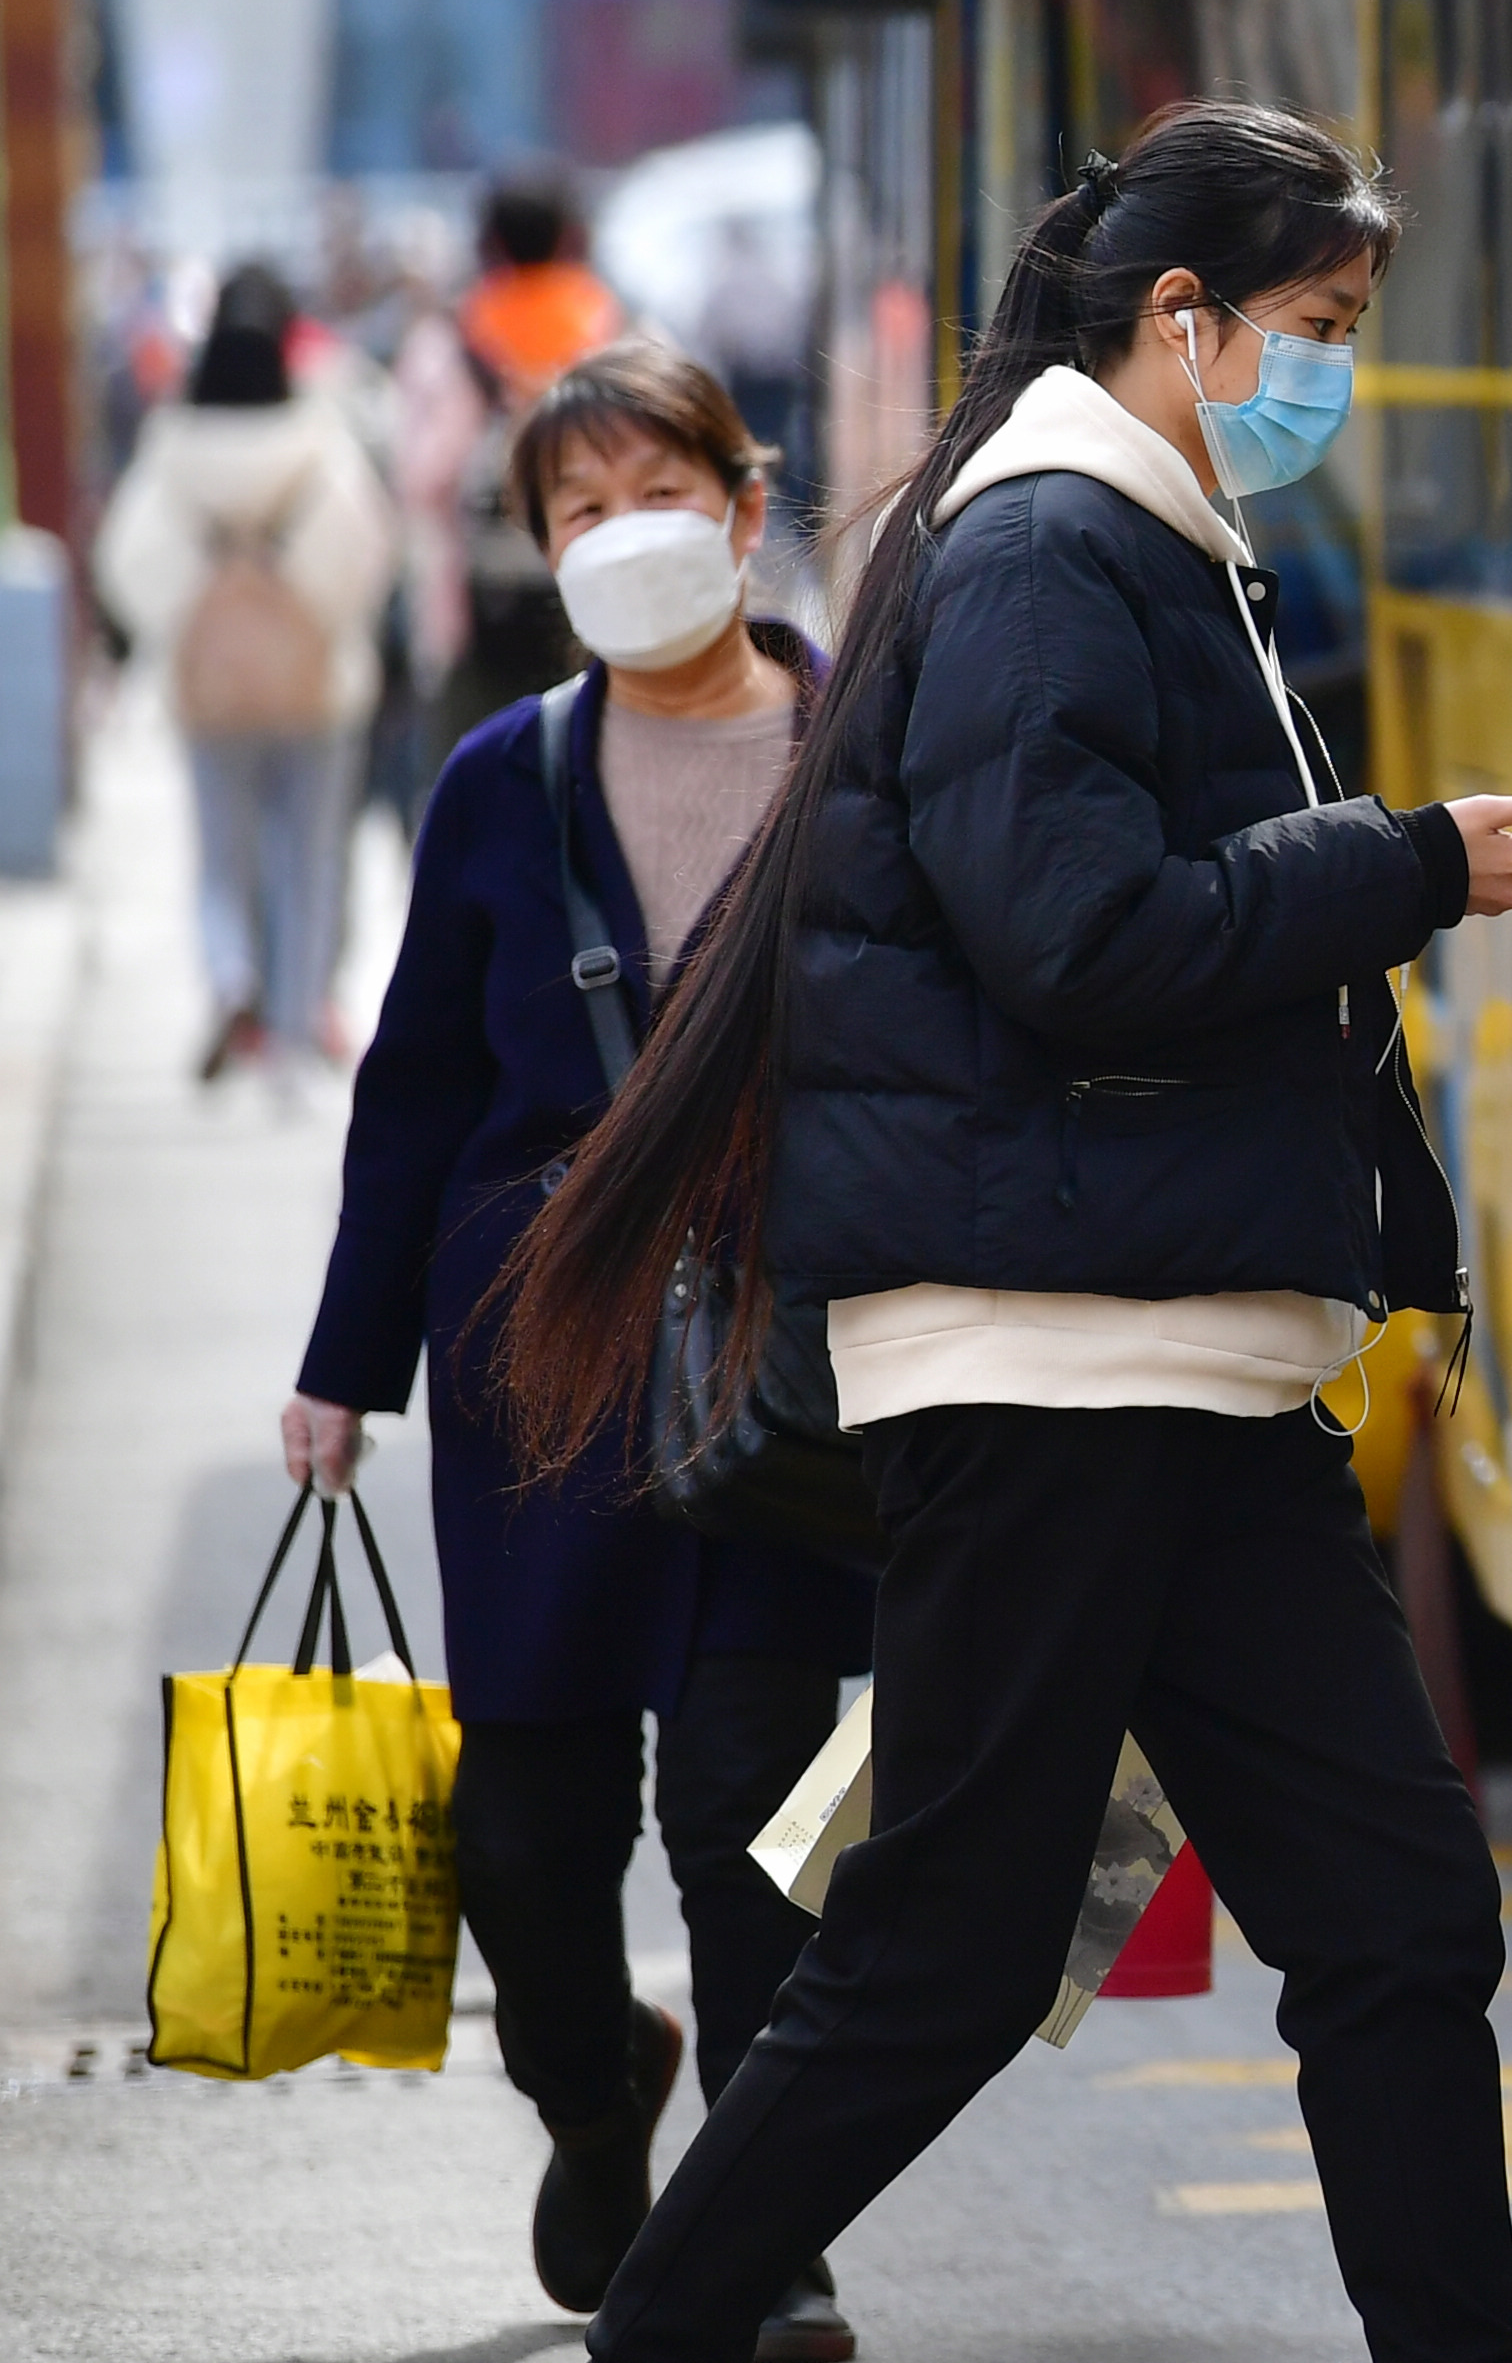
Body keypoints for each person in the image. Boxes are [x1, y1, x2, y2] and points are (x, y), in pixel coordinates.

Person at [498, 103, 1512, 2363]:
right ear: (1175, 319)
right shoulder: (1045, 554)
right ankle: (667, 2332)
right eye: (1309, 328)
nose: (1328, 375)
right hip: (1047, 1355)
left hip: (1173, 1352)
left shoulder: (1145, 539)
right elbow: (1075, 933)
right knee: (952, 1951)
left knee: (1393, 1910)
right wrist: (1408, 860)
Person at [283, 338, 877, 2360]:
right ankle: (586, 2082)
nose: (624, 534)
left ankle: (760, 2237)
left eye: (659, 488)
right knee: (528, 1841)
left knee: (747, 1813)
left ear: (742, 497)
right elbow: (416, 1089)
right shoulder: (499, 783)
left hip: (782, 1368)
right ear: (541, 548)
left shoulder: (857, 745)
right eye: (576, 507)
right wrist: (343, 1367)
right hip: (542, 1364)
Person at [93, 262, 396, 1079]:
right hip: (317, 687)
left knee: (221, 853)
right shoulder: (317, 438)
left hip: (211, 689)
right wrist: (305, 610)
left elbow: (126, 561)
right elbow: (367, 554)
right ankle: (296, 1029)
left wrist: (190, 620)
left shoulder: (171, 444)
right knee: (310, 857)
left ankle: (232, 976)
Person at [408, 166, 630, 753]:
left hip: (480, 607)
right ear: (570, 237)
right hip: (601, 593)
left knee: (488, 774)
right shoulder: (615, 327)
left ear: (490, 244)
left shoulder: (452, 340)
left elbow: (422, 481)